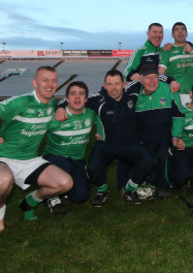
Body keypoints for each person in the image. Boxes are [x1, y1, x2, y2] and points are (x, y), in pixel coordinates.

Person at [0, 66, 72, 234]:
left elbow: (58, 107)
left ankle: (32, 198)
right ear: (35, 83)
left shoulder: (52, 104)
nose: (50, 84)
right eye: (45, 80)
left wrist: (59, 108)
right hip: (2, 157)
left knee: (65, 183)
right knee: (2, 181)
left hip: (30, 160)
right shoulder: (20, 102)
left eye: (54, 81)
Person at [56, 70, 153, 207]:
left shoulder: (132, 94)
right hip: (106, 144)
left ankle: (130, 189)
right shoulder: (97, 99)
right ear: (104, 85)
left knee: (148, 160)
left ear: (124, 84)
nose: (113, 88)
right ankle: (102, 190)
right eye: (110, 84)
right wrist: (60, 108)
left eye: (117, 84)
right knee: (93, 167)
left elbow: (149, 77)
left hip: (130, 144)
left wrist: (170, 80)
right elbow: (68, 99)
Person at [41, 81, 103, 211]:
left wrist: (101, 133)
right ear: (67, 99)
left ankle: (63, 189)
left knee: (82, 196)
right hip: (54, 159)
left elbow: (106, 122)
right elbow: (32, 131)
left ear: (86, 99)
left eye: (81, 94)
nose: (77, 98)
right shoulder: (55, 117)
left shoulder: (90, 115)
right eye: (73, 94)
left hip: (77, 161)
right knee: (65, 165)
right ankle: (50, 196)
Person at [130, 63, 185, 199]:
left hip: (163, 136)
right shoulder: (134, 94)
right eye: (148, 78)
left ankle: (163, 186)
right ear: (141, 79)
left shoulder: (168, 90)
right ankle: (139, 182)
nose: (152, 81)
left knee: (163, 153)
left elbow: (178, 115)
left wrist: (176, 136)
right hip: (141, 137)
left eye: (155, 77)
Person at [159, 22, 193, 106]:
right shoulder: (167, 50)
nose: (180, 32)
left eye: (183, 29)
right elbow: (160, 73)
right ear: (172, 34)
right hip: (175, 95)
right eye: (177, 30)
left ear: (186, 33)